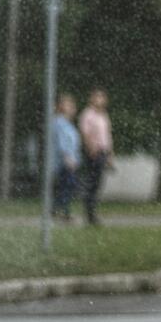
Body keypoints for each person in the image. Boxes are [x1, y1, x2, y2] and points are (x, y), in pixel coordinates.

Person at [78, 88, 114, 226]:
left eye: (102, 97)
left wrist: (110, 153)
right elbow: (85, 132)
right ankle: (89, 213)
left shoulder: (103, 115)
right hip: (94, 152)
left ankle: (92, 211)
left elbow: (108, 135)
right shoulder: (88, 114)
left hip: (103, 151)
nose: (100, 100)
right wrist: (90, 148)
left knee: (98, 183)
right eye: (97, 97)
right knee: (93, 182)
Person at [51, 93, 81, 222]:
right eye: (68, 105)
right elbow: (62, 143)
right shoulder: (59, 122)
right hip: (64, 161)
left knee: (68, 186)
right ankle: (59, 210)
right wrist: (68, 158)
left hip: (70, 160)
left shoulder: (68, 124)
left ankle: (59, 210)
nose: (72, 107)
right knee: (68, 185)